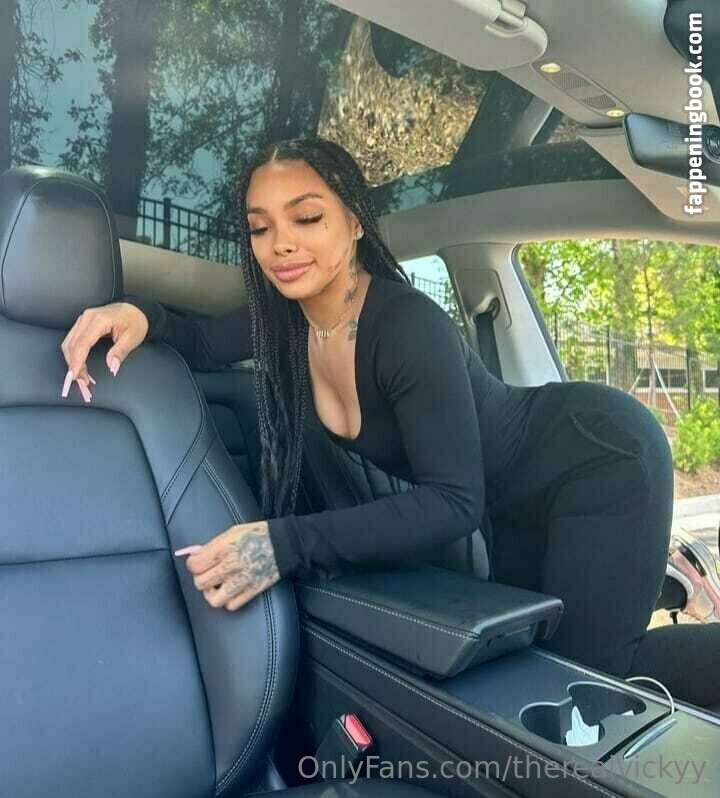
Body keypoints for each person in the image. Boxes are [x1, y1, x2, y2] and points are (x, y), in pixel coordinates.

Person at [60, 137, 720, 711]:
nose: (281, 242)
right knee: (536, 667)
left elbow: (454, 503)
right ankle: (656, 586)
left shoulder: (405, 325)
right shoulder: (289, 325)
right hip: (518, 504)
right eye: (260, 228)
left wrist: (282, 544)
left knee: (593, 680)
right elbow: (201, 342)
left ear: (353, 221)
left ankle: (657, 597)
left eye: (307, 217)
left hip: (599, 461)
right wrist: (137, 315)